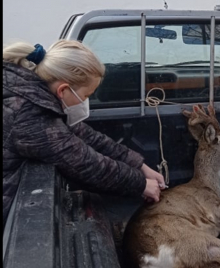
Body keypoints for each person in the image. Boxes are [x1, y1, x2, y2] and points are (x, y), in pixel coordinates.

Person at [3, 40, 167, 228]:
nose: (85, 102)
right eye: (87, 95)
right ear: (63, 90)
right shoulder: (29, 115)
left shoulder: (33, 96)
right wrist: (141, 184)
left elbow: (88, 137)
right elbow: (85, 163)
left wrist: (140, 166)